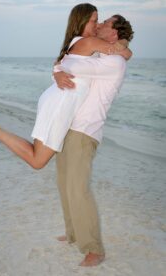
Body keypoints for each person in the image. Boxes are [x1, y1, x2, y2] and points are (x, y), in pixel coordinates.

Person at [0, 4, 130, 170]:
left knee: (38, 157)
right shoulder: (89, 42)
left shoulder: (79, 42)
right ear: (83, 21)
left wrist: (57, 72)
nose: (98, 25)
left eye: (99, 21)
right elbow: (125, 53)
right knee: (38, 160)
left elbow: (61, 64)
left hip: (60, 99)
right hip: (62, 102)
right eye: (94, 21)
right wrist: (124, 41)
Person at [54, 14, 134, 267]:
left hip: (85, 130)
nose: (98, 25)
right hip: (68, 125)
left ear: (114, 34)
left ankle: (94, 249)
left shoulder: (114, 62)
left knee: (78, 189)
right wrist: (57, 72)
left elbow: (72, 65)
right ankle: (73, 233)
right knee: (64, 184)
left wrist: (60, 68)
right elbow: (64, 64)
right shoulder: (104, 53)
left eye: (105, 23)